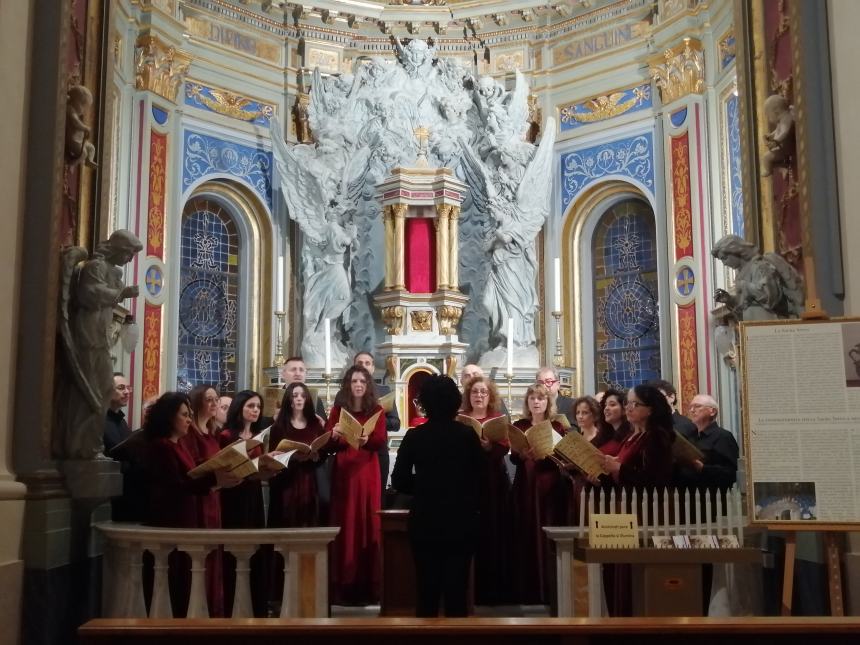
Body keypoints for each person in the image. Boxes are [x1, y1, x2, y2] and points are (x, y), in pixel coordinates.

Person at [391, 375, 483, 617]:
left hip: (425, 519)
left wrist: (423, 485)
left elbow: (399, 480)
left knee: (426, 591)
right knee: (457, 593)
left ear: (425, 403)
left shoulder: (415, 436)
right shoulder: (467, 435)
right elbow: (480, 478)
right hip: (461, 520)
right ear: (455, 401)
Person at [143, 392, 241, 617]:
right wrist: (215, 480)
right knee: (175, 581)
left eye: (189, 415)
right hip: (172, 520)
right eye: (184, 415)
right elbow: (176, 486)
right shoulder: (162, 446)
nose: (189, 419)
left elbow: (191, 476)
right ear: (169, 417)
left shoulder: (177, 445)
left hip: (186, 518)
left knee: (186, 578)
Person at [325, 366, 387, 605]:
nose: (358, 384)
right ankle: (343, 585)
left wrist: (366, 439)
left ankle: (369, 585)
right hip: (344, 470)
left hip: (367, 471)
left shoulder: (377, 410)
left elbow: (380, 439)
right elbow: (328, 441)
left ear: (368, 384)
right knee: (346, 521)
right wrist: (335, 433)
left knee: (366, 521)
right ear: (347, 384)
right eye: (354, 381)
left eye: (362, 380)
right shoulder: (338, 410)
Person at [509, 383, 568, 605]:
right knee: (525, 529)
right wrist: (522, 455)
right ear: (527, 403)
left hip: (547, 484)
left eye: (541, 399)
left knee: (546, 529)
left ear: (547, 402)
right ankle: (526, 590)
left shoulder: (557, 427)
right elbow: (514, 457)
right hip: (525, 482)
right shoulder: (520, 425)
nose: (536, 402)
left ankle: (549, 589)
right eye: (532, 398)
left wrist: (547, 454)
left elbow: (562, 457)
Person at [460, 375, 511, 606]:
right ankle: (468, 587)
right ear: (468, 396)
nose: (479, 396)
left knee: (492, 529)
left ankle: (492, 589)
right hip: (469, 481)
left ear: (490, 397)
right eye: (475, 392)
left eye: (483, 392)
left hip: (493, 481)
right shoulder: (461, 420)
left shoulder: (497, 418)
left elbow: (505, 448)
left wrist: (490, 446)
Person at [218, 390, 269, 617]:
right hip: (233, 495)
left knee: (255, 545)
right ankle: (231, 603)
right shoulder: (226, 435)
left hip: (254, 493)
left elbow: (260, 466)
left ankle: (256, 604)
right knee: (234, 545)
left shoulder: (259, 437)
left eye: (258, 406)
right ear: (240, 408)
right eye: (250, 406)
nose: (255, 410)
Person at [180, 384, 226, 616]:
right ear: (197, 401)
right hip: (199, 499)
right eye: (209, 399)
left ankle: (212, 607)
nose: (214, 403)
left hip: (214, 497)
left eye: (216, 399)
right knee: (199, 555)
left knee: (213, 553)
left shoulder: (214, 433)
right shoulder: (191, 434)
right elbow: (190, 467)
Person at [268, 383, 328, 528]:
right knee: (285, 521)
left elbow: (324, 451)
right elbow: (272, 457)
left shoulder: (315, 424)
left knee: (307, 520)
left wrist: (316, 456)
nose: (299, 399)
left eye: (303, 395)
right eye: (295, 396)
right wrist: (293, 457)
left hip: (308, 480)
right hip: (286, 481)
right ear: (288, 399)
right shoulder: (279, 426)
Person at [602, 384, 675, 491]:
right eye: (627, 403)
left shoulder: (656, 437)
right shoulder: (631, 435)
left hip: (646, 504)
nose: (628, 408)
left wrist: (619, 468)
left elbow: (654, 479)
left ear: (650, 409)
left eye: (635, 404)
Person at [354, 351, 401, 499]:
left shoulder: (384, 391)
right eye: (359, 363)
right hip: (354, 453)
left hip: (378, 452)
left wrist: (374, 420)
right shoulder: (344, 393)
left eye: (367, 363)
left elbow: (395, 423)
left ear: (373, 368)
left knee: (377, 497)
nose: (363, 366)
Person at [673, 394, 739, 496]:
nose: (692, 410)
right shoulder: (691, 436)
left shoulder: (723, 436)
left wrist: (703, 468)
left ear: (712, 411)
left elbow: (731, 473)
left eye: (697, 406)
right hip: (686, 496)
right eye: (691, 407)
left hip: (711, 498)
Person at [597, 389, 631, 457]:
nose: (606, 408)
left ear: (624, 410)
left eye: (612, 405)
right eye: (605, 405)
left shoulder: (629, 436)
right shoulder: (604, 435)